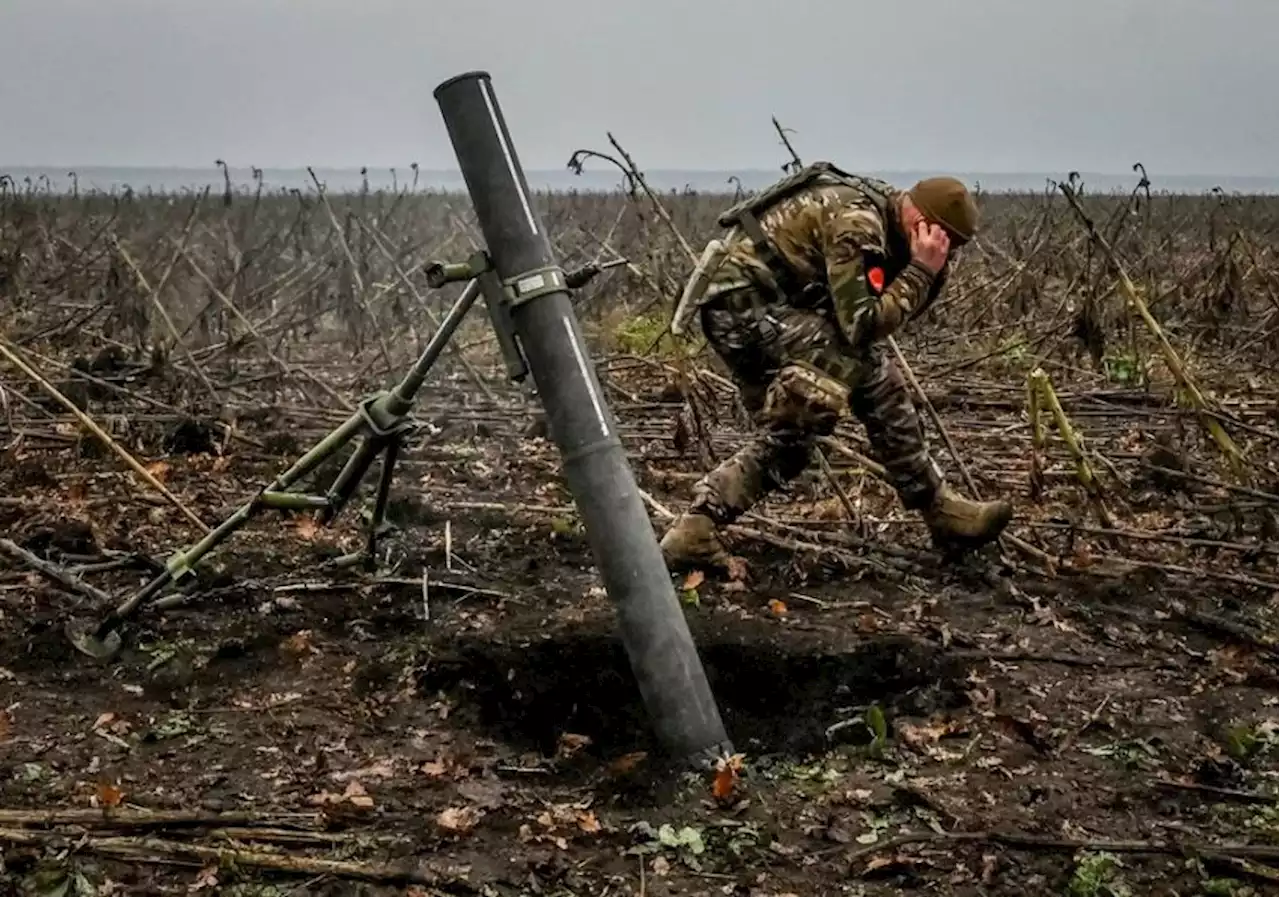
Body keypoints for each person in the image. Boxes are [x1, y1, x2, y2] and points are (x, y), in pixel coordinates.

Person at [659, 163, 1013, 572]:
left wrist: (924, 272)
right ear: (920, 220)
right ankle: (938, 508)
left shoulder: (888, 214)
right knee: (866, 372)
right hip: (741, 308)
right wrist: (920, 271)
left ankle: (695, 530)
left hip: (766, 305)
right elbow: (861, 325)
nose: (944, 251)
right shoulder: (859, 224)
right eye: (943, 240)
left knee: (794, 441)